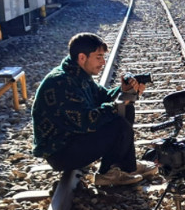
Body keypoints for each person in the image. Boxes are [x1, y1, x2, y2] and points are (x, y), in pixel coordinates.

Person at [32, 33, 158, 186]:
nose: (103, 62)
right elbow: (86, 121)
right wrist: (118, 105)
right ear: (82, 57)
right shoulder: (61, 83)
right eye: (98, 57)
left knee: (126, 109)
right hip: (60, 151)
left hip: (73, 139)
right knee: (119, 124)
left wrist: (124, 91)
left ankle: (127, 167)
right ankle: (107, 174)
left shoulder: (78, 74)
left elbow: (104, 96)